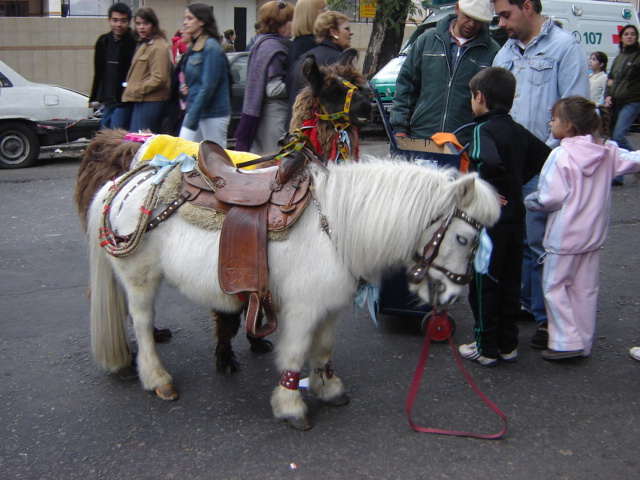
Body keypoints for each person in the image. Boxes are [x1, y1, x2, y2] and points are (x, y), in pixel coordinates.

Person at [491, 0, 590, 350]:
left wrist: (546, 157)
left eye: (506, 14)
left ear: (528, 7)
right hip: (508, 165)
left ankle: (550, 319)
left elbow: (576, 110)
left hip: (545, 164)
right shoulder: (504, 53)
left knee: (543, 245)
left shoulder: (565, 48)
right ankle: (524, 303)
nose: (501, 23)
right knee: (514, 241)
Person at [524, 96, 640, 360]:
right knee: (585, 290)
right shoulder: (607, 151)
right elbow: (634, 159)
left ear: (569, 126)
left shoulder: (560, 154)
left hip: (564, 239)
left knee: (555, 287)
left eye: (554, 118)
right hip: (593, 237)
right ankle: (583, 342)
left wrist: (529, 202)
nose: (550, 122)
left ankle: (566, 342)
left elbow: (549, 197)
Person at [458, 67, 550, 366]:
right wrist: (514, 182)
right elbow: (543, 155)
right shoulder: (517, 128)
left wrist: (484, 188)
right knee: (511, 281)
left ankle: (485, 347)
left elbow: (488, 159)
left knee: (484, 283)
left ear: (480, 97)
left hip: (489, 222)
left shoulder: (481, 129)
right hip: (515, 218)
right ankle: (508, 344)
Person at [390, 0, 500, 145]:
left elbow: (494, 105)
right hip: (422, 136)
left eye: (478, 20)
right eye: (468, 16)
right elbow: (406, 86)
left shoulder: (493, 52)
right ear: (457, 9)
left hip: (464, 143)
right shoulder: (426, 41)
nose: (472, 24)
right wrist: (400, 129)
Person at [234, 0, 294, 155]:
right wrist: (299, 83)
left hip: (261, 115)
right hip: (274, 118)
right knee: (275, 167)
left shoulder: (264, 43)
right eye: (290, 20)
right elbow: (273, 89)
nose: (293, 24)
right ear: (278, 23)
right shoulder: (274, 46)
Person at [177, 3, 231, 147]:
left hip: (213, 113)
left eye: (190, 18)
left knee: (215, 161)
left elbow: (208, 87)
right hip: (196, 111)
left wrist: (191, 119)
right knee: (187, 158)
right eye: (185, 18)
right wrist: (183, 89)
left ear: (202, 21)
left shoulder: (210, 47)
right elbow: (191, 80)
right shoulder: (194, 47)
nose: (185, 22)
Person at [286, 10, 353, 116]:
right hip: (324, 129)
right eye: (346, 29)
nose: (351, 33)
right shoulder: (340, 61)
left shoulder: (301, 59)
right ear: (334, 32)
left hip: (297, 127)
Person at [122, 7, 172, 133]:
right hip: (142, 100)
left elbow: (160, 77)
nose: (141, 27)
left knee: (142, 142)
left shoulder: (158, 46)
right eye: (138, 24)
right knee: (136, 140)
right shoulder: (144, 43)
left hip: (152, 102)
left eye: (146, 23)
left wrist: (137, 89)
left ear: (153, 24)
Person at [90, 2, 136, 130]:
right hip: (107, 101)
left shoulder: (134, 42)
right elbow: (98, 72)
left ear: (129, 22)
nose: (119, 25)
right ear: (109, 20)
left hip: (125, 100)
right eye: (115, 20)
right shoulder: (103, 41)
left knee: (116, 135)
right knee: (103, 135)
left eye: (123, 21)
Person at [605, 25, 640, 186]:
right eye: (626, 34)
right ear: (621, 37)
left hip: (633, 101)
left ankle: (637, 161)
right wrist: (608, 95)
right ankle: (618, 176)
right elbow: (610, 79)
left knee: (618, 135)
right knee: (613, 138)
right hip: (616, 102)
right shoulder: (619, 57)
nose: (630, 37)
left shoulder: (638, 56)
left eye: (633, 34)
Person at [288, 0, 328, 65]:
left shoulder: (299, 42)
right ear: (310, 14)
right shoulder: (308, 44)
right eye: (323, 9)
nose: (328, 12)